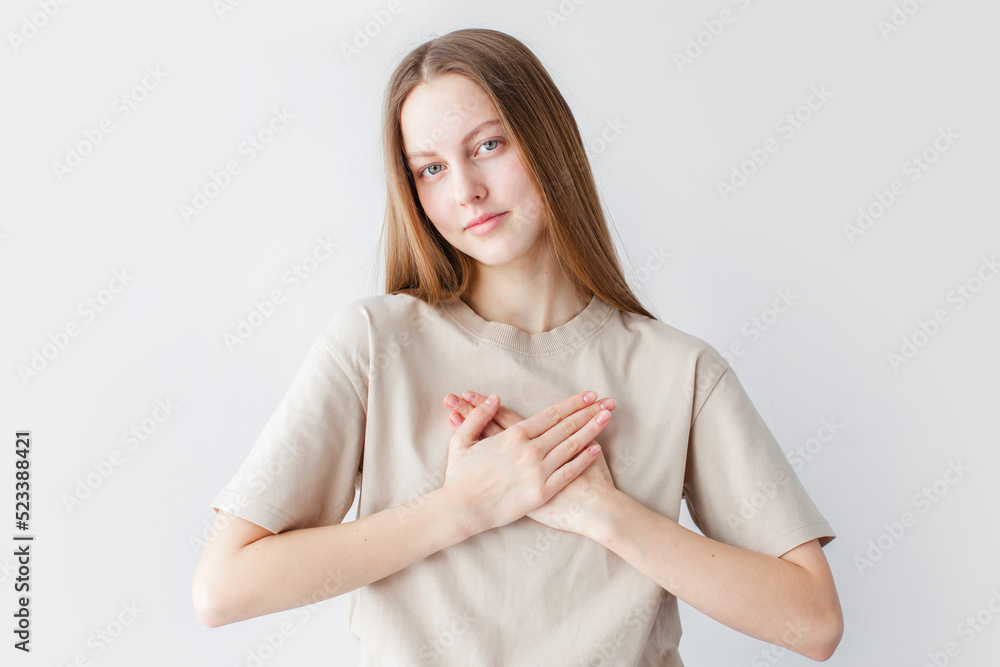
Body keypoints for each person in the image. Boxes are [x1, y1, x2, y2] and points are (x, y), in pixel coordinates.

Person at [192, 27, 843, 665]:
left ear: (548, 141)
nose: (465, 190)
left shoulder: (680, 371)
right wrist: (460, 507)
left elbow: (813, 621)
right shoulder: (373, 344)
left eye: (489, 145)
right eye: (431, 168)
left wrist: (605, 512)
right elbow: (223, 587)